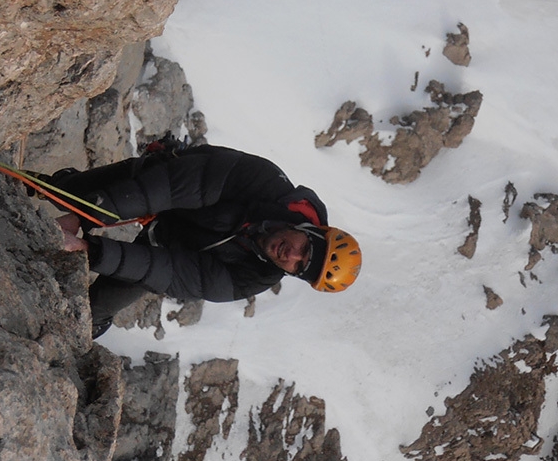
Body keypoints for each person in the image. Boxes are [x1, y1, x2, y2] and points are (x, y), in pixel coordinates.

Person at [41, 143, 362, 337]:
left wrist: (90, 249)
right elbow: (169, 188)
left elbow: (174, 273)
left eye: (299, 267)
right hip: (167, 177)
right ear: (309, 230)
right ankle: (60, 186)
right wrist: (84, 216)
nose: (290, 255)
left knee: (90, 312)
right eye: (305, 247)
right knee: (69, 196)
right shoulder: (263, 183)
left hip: (167, 245)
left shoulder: (252, 279)